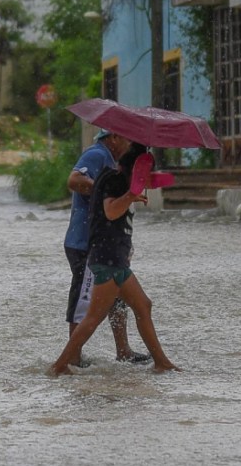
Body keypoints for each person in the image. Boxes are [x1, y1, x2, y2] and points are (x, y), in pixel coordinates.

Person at [51, 144, 180, 376]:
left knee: (143, 305)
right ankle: (60, 365)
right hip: (107, 260)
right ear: (133, 171)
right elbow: (110, 211)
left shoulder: (117, 180)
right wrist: (131, 195)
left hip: (117, 259)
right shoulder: (115, 181)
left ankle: (162, 362)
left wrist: (136, 191)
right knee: (92, 318)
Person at [63, 129, 148, 365]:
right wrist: (103, 189)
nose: (130, 144)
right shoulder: (97, 154)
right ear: (113, 138)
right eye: (128, 139)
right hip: (85, 243)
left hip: (107, 244)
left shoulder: (113, 164)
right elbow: (74, 181)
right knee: (84, 298)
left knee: (117, 297)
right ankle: (72, 357)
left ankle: (123, 350)